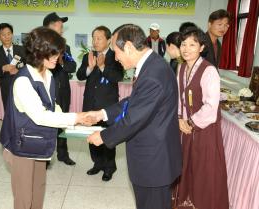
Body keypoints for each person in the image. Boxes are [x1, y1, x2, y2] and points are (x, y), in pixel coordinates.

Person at [87, 24, 182, 209]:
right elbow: (135, 101)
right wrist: (102, 113)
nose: (115, 57)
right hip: (151, 159)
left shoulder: (153, 74)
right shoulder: (151, 65)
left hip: (154, 162)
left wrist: (103, 136)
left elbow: (133, 119)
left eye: (116, 52)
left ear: (129, 47)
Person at [0, 27, 94, 209]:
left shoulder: (48, 74)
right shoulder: (23, 81)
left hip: (40, 143)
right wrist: (75, 118)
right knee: (24, 196)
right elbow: (40, 116)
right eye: (52, 53)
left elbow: (52, 106)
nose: (57, 57)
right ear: (38, 52)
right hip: (22, 146)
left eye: (58, 53)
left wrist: (76, 122)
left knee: (38, 188)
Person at [174, 27, 229, 209]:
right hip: (186, 128)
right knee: (186, 166)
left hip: (205, 130)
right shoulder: (181, 68)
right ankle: (186, 201)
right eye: (183, 44)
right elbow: (180, 97)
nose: (186, 48)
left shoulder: (209, 71)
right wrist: (180, 119)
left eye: (192, 44)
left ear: (202, 47)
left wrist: (190, 122)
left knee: (203, 169)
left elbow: (211, 107)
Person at [76, 25, 124, 182]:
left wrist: (102, 66)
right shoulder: (88, 56)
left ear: (109, 40)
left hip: (108, 106)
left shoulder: (116, 55)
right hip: (90, 103)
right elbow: (80, 75)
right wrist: (89, 68)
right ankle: (97, 164)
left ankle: (109, 167)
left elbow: (117, 77)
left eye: (99, 38)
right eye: (93, 38)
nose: (95, 42)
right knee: (91, 136)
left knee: (108, 137)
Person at [43, 12, 76, 166]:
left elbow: (72, 67)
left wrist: (62, 62)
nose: (62, 29)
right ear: (49, 27)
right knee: (45, 123)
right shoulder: (40, 47)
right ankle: (45, 155)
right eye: (59, 26)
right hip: (44, 91)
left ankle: (63, 154)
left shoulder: (65, 47)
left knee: (62, 123)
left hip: (63, 91)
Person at [0, 23, 26, 110]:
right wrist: (3, 68)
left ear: (12, 34)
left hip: (23, 85)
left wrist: (19, 69)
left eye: (9, 34)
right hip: (6, 87)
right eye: (3, 35)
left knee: (23, 111)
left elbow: (29, 65)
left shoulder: (22, 50)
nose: (7, 37)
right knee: (9, 111)